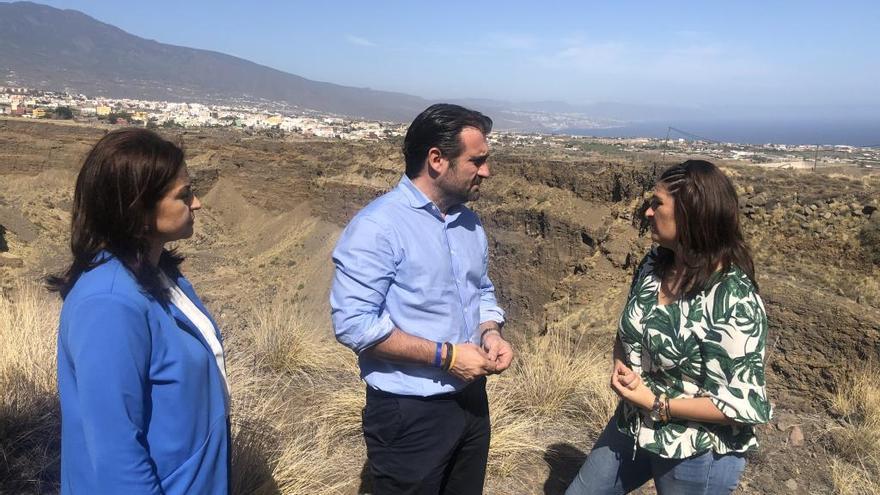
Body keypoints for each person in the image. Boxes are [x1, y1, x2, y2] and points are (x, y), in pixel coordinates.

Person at [330, 103, 514, 494]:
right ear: (437, 160)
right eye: (477, 161)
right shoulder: (378, 227)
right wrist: (447, 357)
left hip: (470, 401)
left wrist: (490, 332)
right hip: (408, 412)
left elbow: (480, 290)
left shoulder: (469, 222)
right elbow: (354, 325)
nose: (487, 171)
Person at [565, 160, 771, 495]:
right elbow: (629, 331)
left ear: (692, 213)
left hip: (696, 447)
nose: (647, 212)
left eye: (657, 203)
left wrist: (659, 404)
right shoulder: (652, 266)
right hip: (635, 421)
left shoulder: (733, 298)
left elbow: (744, 404)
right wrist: (623, 364)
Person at [50, 128, 230, 494]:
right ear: (138, 207)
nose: (197, 203)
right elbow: (117, 455)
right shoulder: (109, 304)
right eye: (184, 195)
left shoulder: (157, 275)